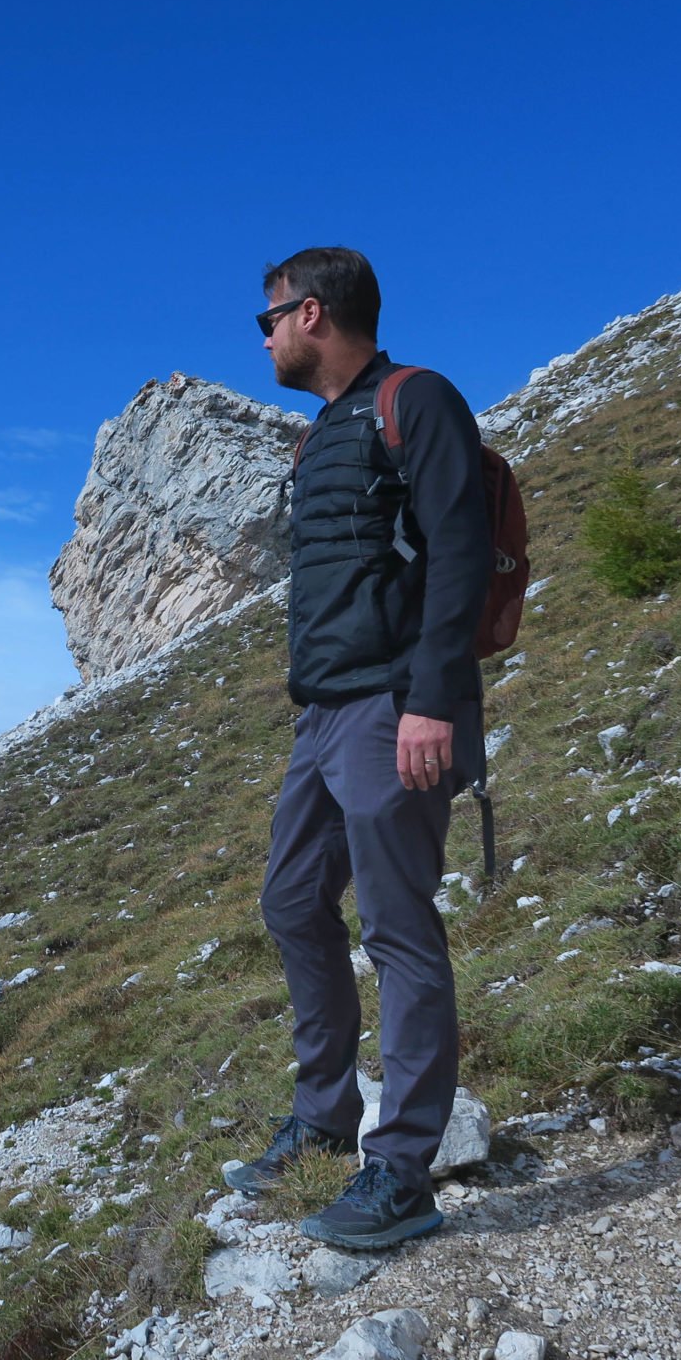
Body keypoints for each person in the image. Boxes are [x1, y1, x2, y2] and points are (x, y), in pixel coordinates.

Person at [222, 246, 490, 1250]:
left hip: (394, 710)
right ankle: (326, 1114)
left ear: (315, 314)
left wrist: (432, 702)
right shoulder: (322, 434)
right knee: (291, 902)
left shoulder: (416, 400)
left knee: (396, 926)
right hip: (324, 715)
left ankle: (402, 1169)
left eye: (269, 319)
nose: (264, 337)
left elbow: (458, 549)